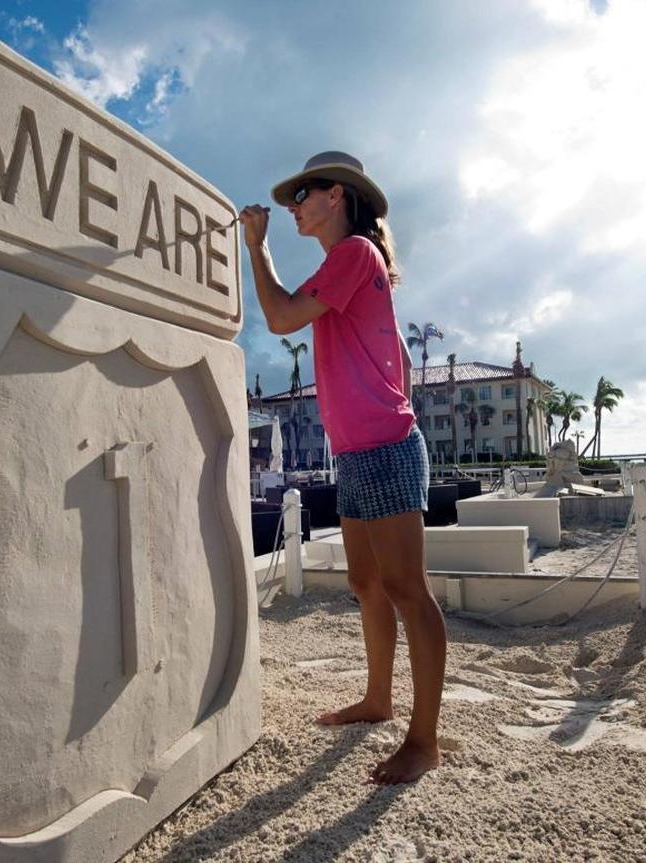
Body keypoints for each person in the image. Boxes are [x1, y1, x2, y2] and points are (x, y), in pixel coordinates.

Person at [239, 151, 447, 784]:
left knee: (408, 589)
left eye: (302, 194)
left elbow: (278, 319)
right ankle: (379, 700)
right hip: (360, 449)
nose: (293, 205)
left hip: (383, 447)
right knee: (367, 583)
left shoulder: (356, 252)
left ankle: (424, 740)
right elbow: (398, 360)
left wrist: (257, 248)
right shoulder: (348, 263)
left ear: (336, 196)